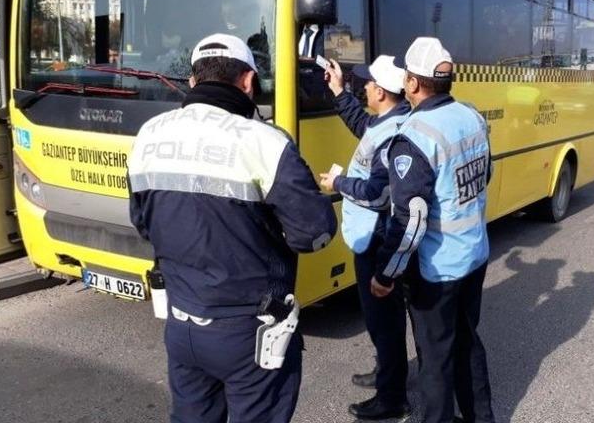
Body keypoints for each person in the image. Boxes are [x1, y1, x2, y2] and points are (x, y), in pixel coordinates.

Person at [128, 33, 337, 423]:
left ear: (192, 82)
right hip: (250, 333)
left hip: (182, 322)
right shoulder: (266, 142)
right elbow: (314, 233)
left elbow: (142, 223)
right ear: (247, 82)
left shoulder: (148, 136)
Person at [372, 37, 495, 423]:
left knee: (436, 360)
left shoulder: (415, 136)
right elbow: (483, 176)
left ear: (411, 83)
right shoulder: (471, 116)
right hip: (474, 255)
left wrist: (385, 274)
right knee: (467, 345)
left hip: (437, 269)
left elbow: (411, 219)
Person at [318, 55, 412, 420]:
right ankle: (386, 372)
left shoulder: (392, 135)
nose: (365, 88)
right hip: (371, 235)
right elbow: (364, 125)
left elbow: (378, 194)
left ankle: (393, 399)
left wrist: (337, 183)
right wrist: (339, 91)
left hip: (377, 238)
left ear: (382, 92)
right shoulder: (389, 121)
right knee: (380, 320)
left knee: (383, 318)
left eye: (368, 83)